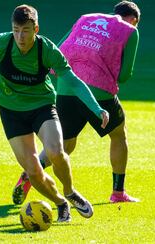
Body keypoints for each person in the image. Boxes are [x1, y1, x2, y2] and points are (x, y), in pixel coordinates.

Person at [0, 4, 109, 222]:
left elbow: (74, 82)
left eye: (26, 31)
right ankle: (61, 203)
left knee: (55, 151)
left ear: (36, 29)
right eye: (16, 30)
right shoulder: (2, 43)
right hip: (11, 111)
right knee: (33, 171)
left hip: (42, 106)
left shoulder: (47, 50)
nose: (20, 36)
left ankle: (69, 191)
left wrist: (97, 108)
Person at [12, 1, 140, 205]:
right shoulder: (129, 30)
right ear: (133, 20)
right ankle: (118, 193)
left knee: (65, 144)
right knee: (118, 134)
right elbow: (124, 76)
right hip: (98, 92)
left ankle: (30, 172)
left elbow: (59, 49)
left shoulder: (86, 18)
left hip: (66, 87)